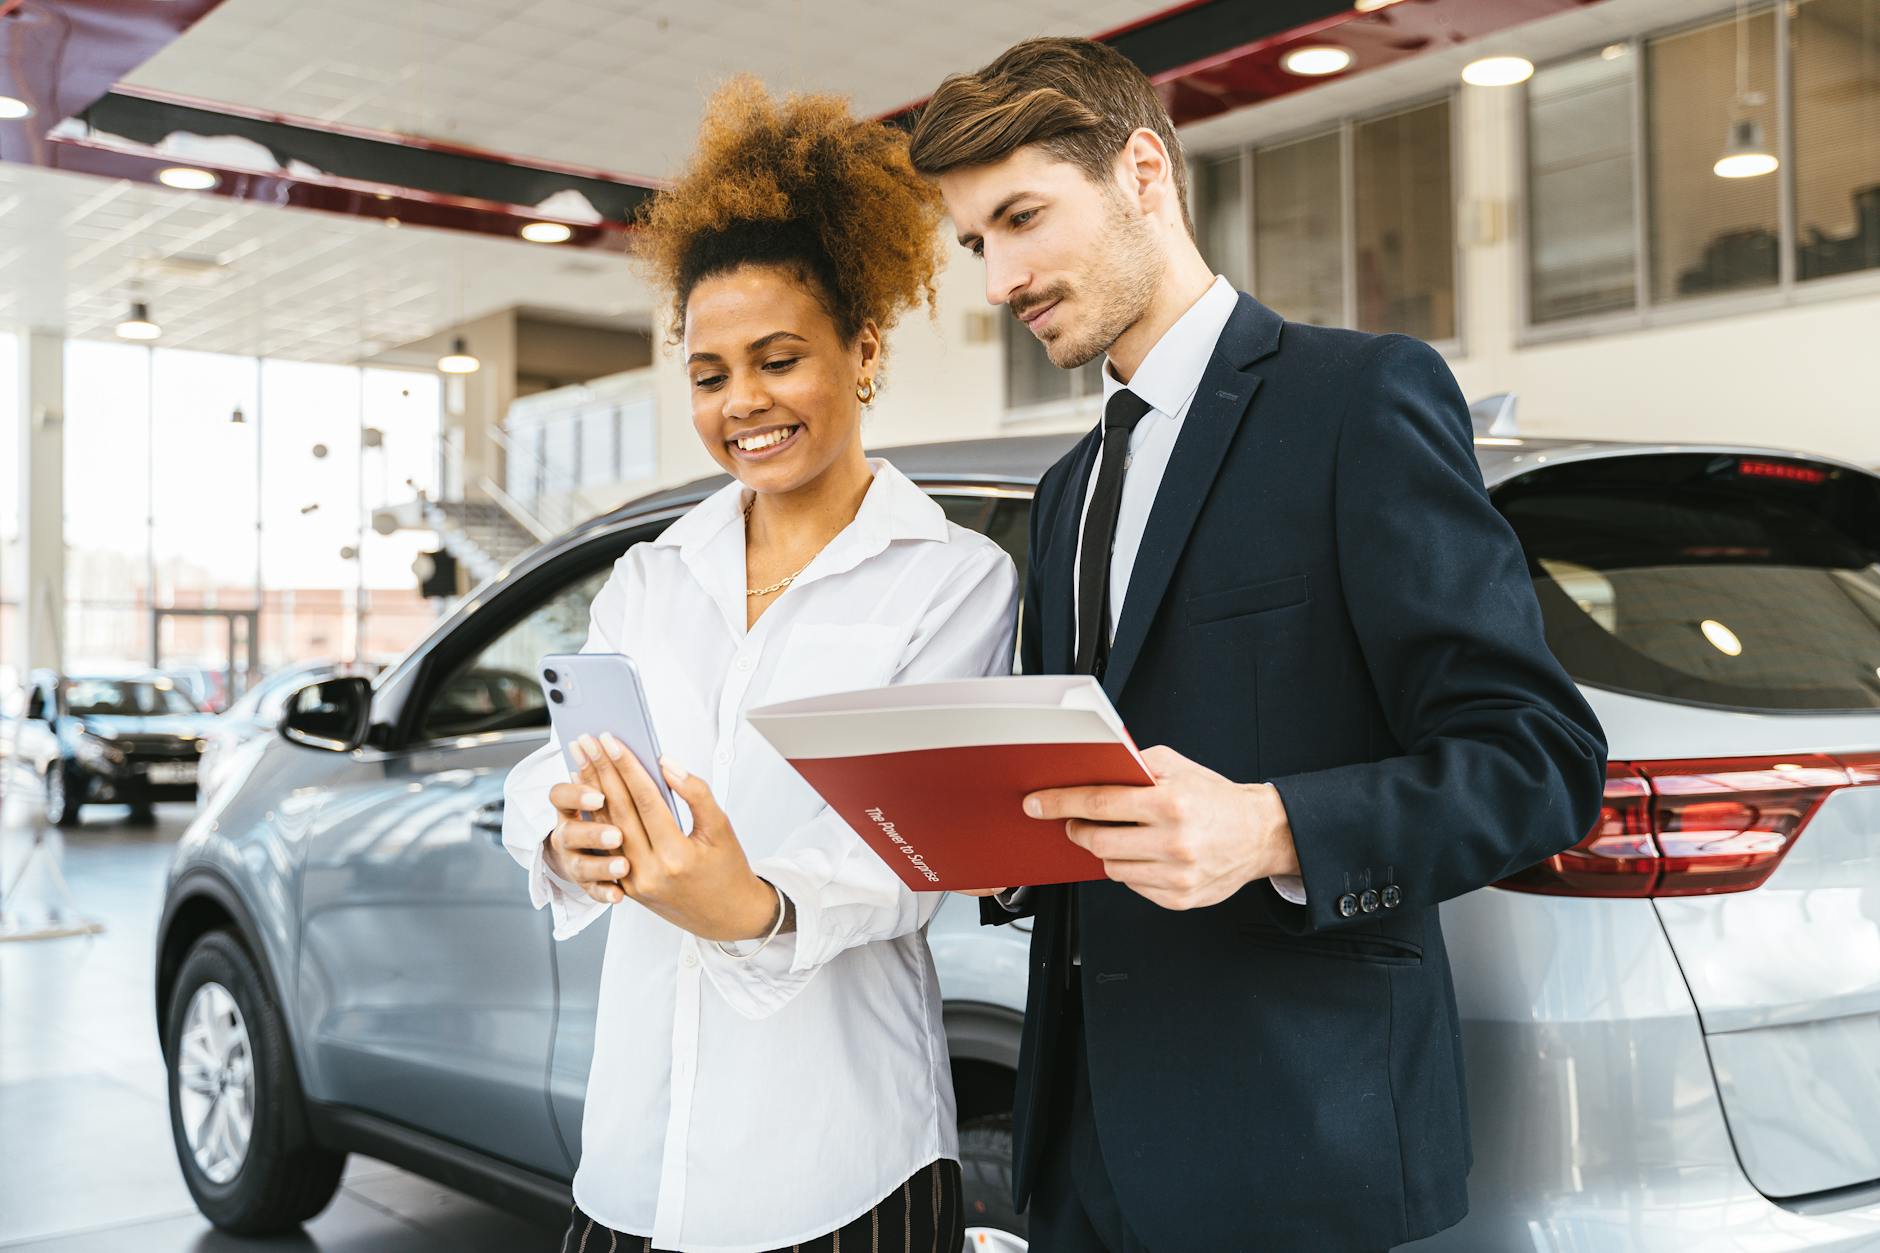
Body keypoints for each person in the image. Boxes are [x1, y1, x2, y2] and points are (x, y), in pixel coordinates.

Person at [909, 37, 1609, 1253]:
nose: (998, 280)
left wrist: (1270, 827)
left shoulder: (1356, 401)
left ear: (1141, 171)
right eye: (977, 243)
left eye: (1020, 218)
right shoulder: (1070, 487)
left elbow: (1538, 760)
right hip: (1081, 1151)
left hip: (1291, 1144)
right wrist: (999, 839)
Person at [500, 78, 1016, 1253]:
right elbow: (552, 766)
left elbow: (919, 857)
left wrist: (754, 904)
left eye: (779, 359)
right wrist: (564, 828)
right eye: (709, 372)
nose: (744, 403)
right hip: (637, 1156)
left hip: (841, 1163)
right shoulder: (649, 576)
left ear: (864, 350)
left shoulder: (950, 579)